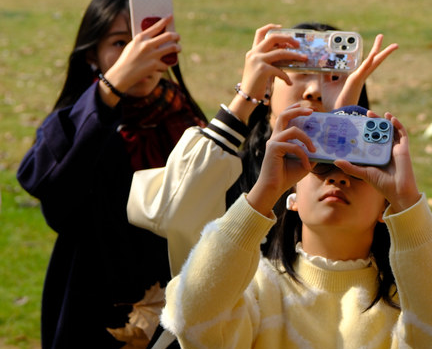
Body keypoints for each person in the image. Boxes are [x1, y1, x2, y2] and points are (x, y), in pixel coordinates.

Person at [16, 0, 207, 349]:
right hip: (91, 309)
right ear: (92, 55)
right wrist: (111, 90)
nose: (138, 54)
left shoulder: (184, 119)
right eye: (121, 43)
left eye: (149, 40)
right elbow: (44, 183)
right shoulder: (77, 122)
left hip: (177, 306)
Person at [161, 103, 432, 349]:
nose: (338, 177)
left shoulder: (411, 303)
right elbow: (191, 319)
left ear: (385, 208)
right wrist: (262, 194)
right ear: (293, 192)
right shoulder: (255, 290)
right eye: (321, 164)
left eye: (360, 168)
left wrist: (407, 204)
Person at [128, 23, 398, 270]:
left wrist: (341, 139)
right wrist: (245, 99)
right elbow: (174, 210)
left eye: (335, 78)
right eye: (302, 72)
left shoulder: (368, 182)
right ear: (268, 87)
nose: (314, 90)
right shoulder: (225, 170)